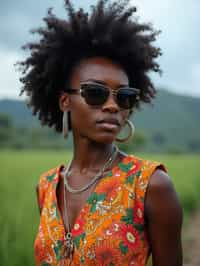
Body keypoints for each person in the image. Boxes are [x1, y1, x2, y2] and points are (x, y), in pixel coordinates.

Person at [18, 0, 183, 265]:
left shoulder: (151, 185)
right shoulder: (47, 187)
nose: (111, 106)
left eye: (124, 97)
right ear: (65, 101)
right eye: (95, 93)